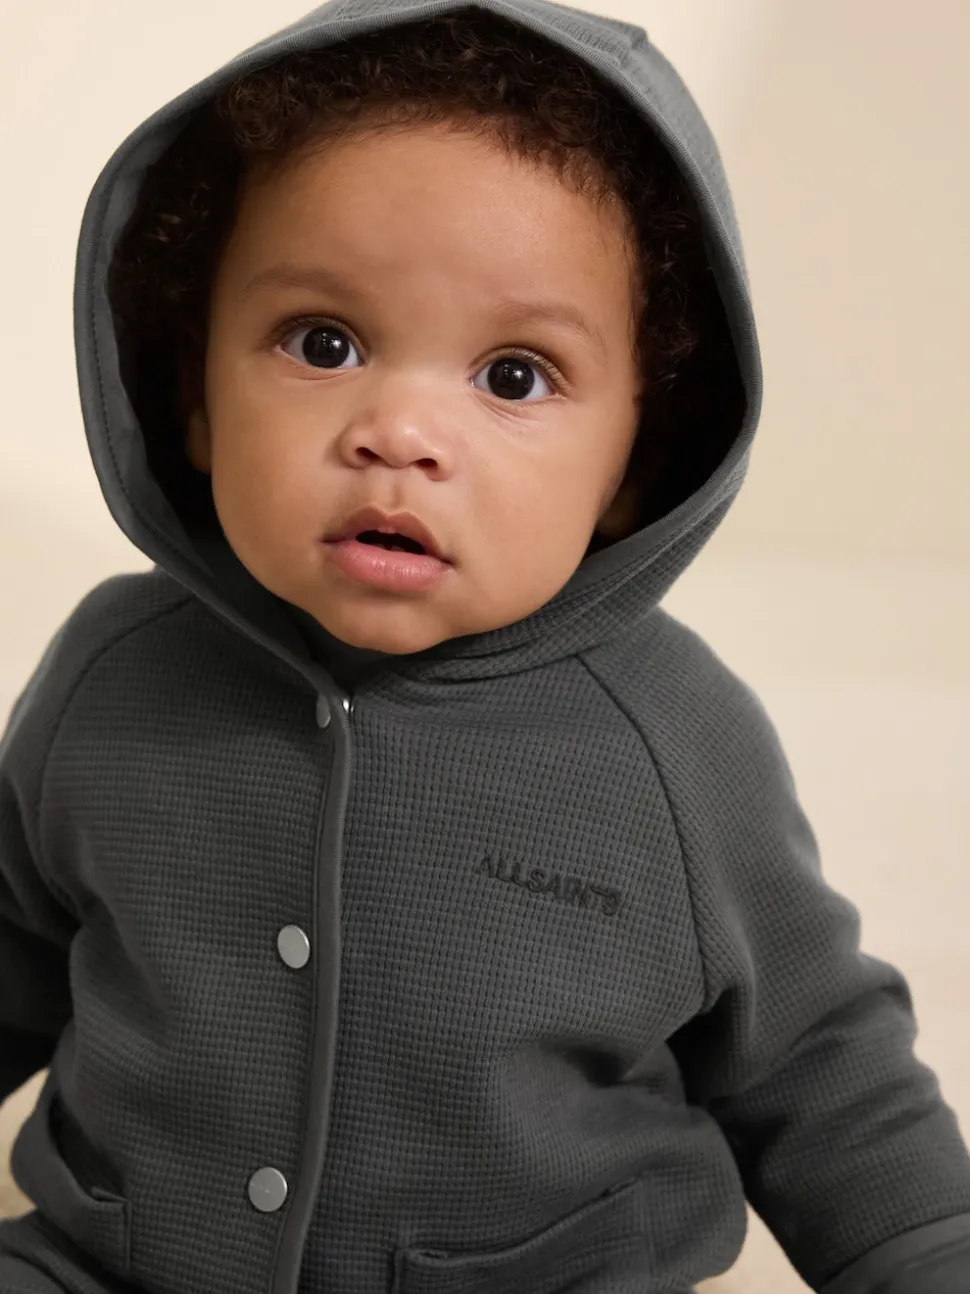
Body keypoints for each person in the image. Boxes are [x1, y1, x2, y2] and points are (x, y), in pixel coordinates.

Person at [1, 0, 968, 1291]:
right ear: (192, 395)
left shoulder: (674, 744)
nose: (399, 431)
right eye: (324, 343)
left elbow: (818, 1062)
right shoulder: (114, 675)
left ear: (635, 459)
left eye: (514, 375)